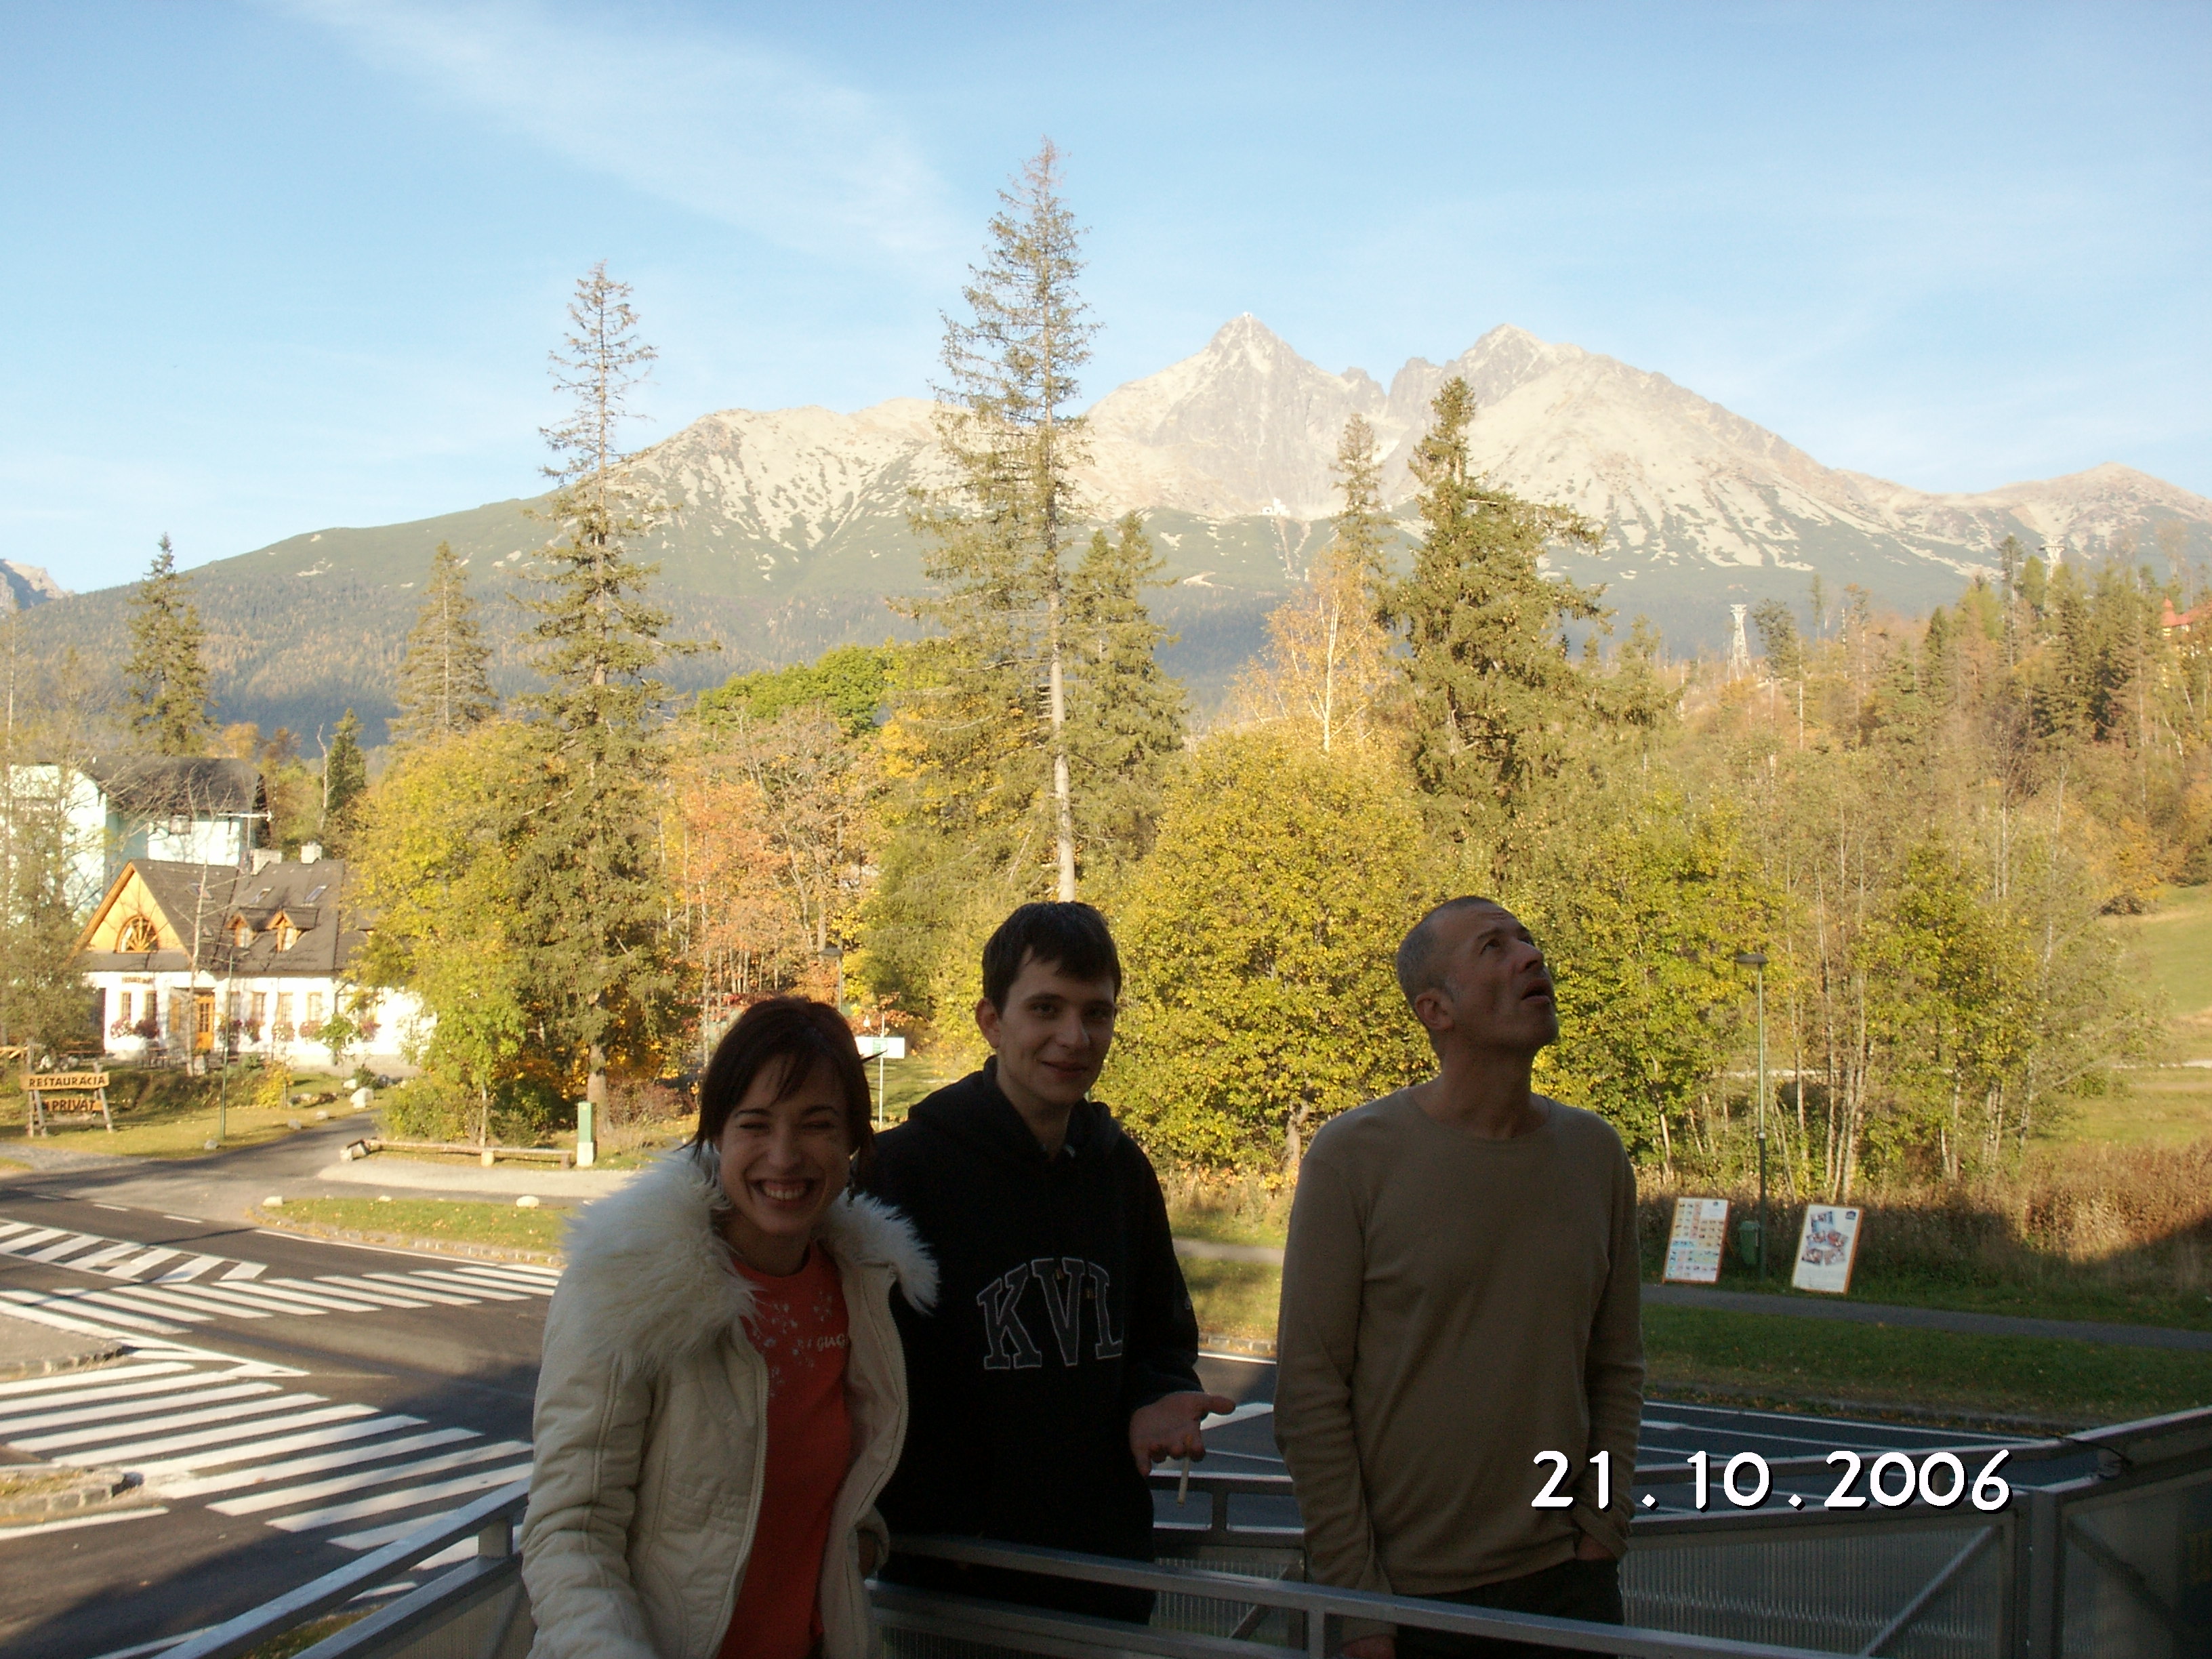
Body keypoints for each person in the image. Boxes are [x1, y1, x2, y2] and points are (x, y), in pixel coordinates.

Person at [1274, 897, 1643, 1659]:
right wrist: (1358, 1604)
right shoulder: (1351, 1158)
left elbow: (1615, 1370)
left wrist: (1601, 1529)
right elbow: (1310, 1392)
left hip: (1568, 1586)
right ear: (1435, 1010)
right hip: (1406, 1601)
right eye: (1493, 948)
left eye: (1527, 940)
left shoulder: (1596, 1155)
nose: (1531, 956)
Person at [522, 998, 937, 1659]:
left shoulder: (863, 1289)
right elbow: (569, 1532)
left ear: (854, 1143)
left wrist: (858, 1539)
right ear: (716, 1134)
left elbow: (827, 1484)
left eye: (817, 1125)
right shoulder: (630, 1284)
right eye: (755, 1124)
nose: (784, 1155)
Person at [867, 901, 1234, 1622]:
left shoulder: (1122, 1172)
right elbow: (869, 1377)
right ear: (992, 1021)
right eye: (1046, 1009)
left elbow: (1159, 1337)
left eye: (1097, 1013)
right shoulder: (903, 1175)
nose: (1075, 1038)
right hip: (952, 1588)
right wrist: (935, 1509)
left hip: (1102, 1571)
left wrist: (1157, 1396)